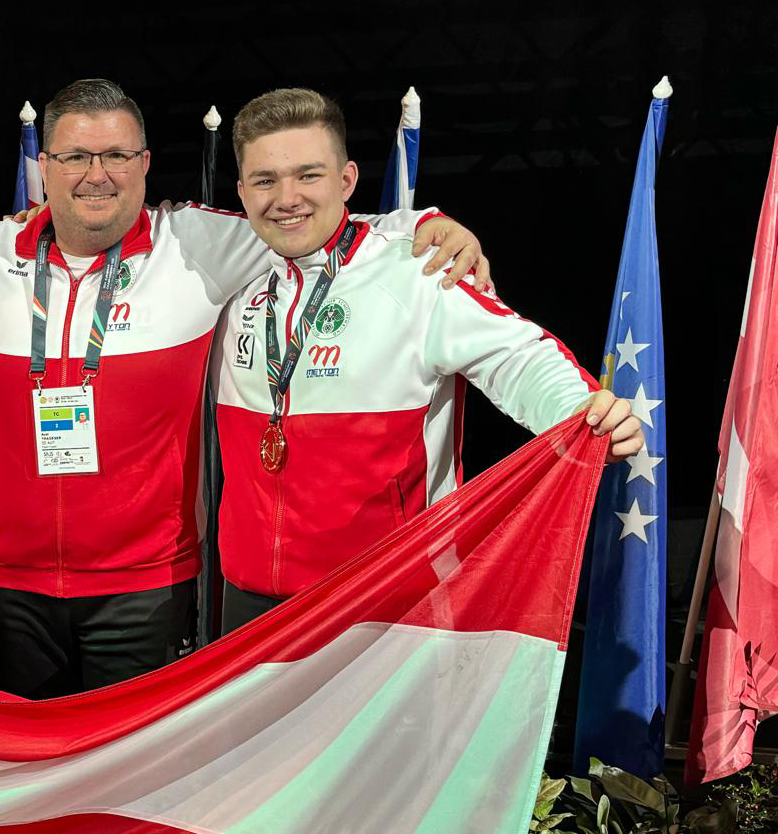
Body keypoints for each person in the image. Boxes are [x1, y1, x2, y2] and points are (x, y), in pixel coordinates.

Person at [0, 79, 488, 699]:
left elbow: (310, 221)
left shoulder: (197, 243)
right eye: (75, 157)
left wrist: (429, 223)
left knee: (140, 779)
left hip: (148, 585)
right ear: (44, 167)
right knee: (35, 768)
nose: (96, 174)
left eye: (117, 156)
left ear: (145, 164)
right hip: (7, 581)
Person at [212, 88, 643, 631]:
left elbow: (516, 354)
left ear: (346, 180)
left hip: (384, 595)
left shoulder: (418, 271)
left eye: (308, 175)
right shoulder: (230, 279)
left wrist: (583, 413)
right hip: (250, 599)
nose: (287, 197)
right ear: (243, 192)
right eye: (265, 180)